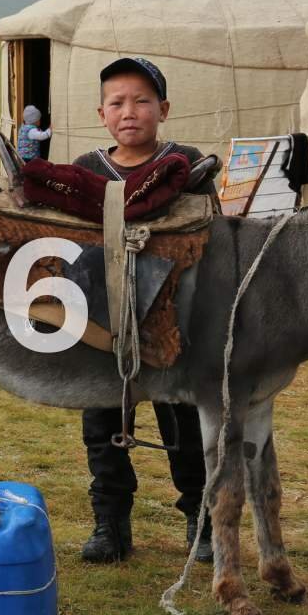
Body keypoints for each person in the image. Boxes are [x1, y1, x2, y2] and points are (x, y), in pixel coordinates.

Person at [74, 56, 217, 564]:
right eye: (116, 102)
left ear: (163, 108)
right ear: (101, 112)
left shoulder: (187, 165)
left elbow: (208, 238)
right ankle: (110, 524)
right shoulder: (86, 171)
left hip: (171, 319)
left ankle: (200, 521)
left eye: (141, 100)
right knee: (102, 422)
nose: (128, 111)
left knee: (181, 421)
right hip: (103, 320)